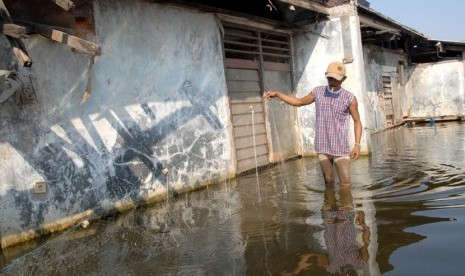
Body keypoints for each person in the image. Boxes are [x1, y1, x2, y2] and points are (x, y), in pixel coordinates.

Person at [264, 61, 362, 185]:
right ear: (326, 76)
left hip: (340, 147)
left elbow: (357, 121)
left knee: (345, 183)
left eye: (336, 79)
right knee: (328, 181)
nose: (332, 81)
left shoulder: (350, 98)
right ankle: (330, 204)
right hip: (323, 145)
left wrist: (357, 145)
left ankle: (345, 205)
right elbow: (299, 102)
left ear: (343, 79)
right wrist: (278, 94)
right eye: (330, 78)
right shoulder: (318, 92)